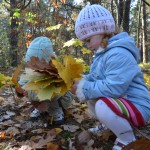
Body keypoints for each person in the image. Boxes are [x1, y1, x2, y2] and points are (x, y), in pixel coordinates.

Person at [73, 4, 150, 150]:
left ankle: (127, 139)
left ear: (103, 31)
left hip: (138, 107)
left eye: (88, 40)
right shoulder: (103, 54)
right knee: (92, 96)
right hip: (125, 102)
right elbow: (96, 79)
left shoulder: (118, 53)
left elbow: (114, 87)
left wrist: (85, 87)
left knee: (102, 104)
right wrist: (81, 81)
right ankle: (111, 125)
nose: (88, 45)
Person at [16, 36, 76, 124]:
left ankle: (56, 112)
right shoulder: (31, 69)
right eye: (31, 64)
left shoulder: (56, 70)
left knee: (49, 94)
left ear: (47, 62)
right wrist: (20, 90)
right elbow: (23, 81)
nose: (33, 67)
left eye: (36, 65)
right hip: (40, 95)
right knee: (32, 88)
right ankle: (40, 109)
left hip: (60, 97)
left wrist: (33, 94)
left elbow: (56, 93)